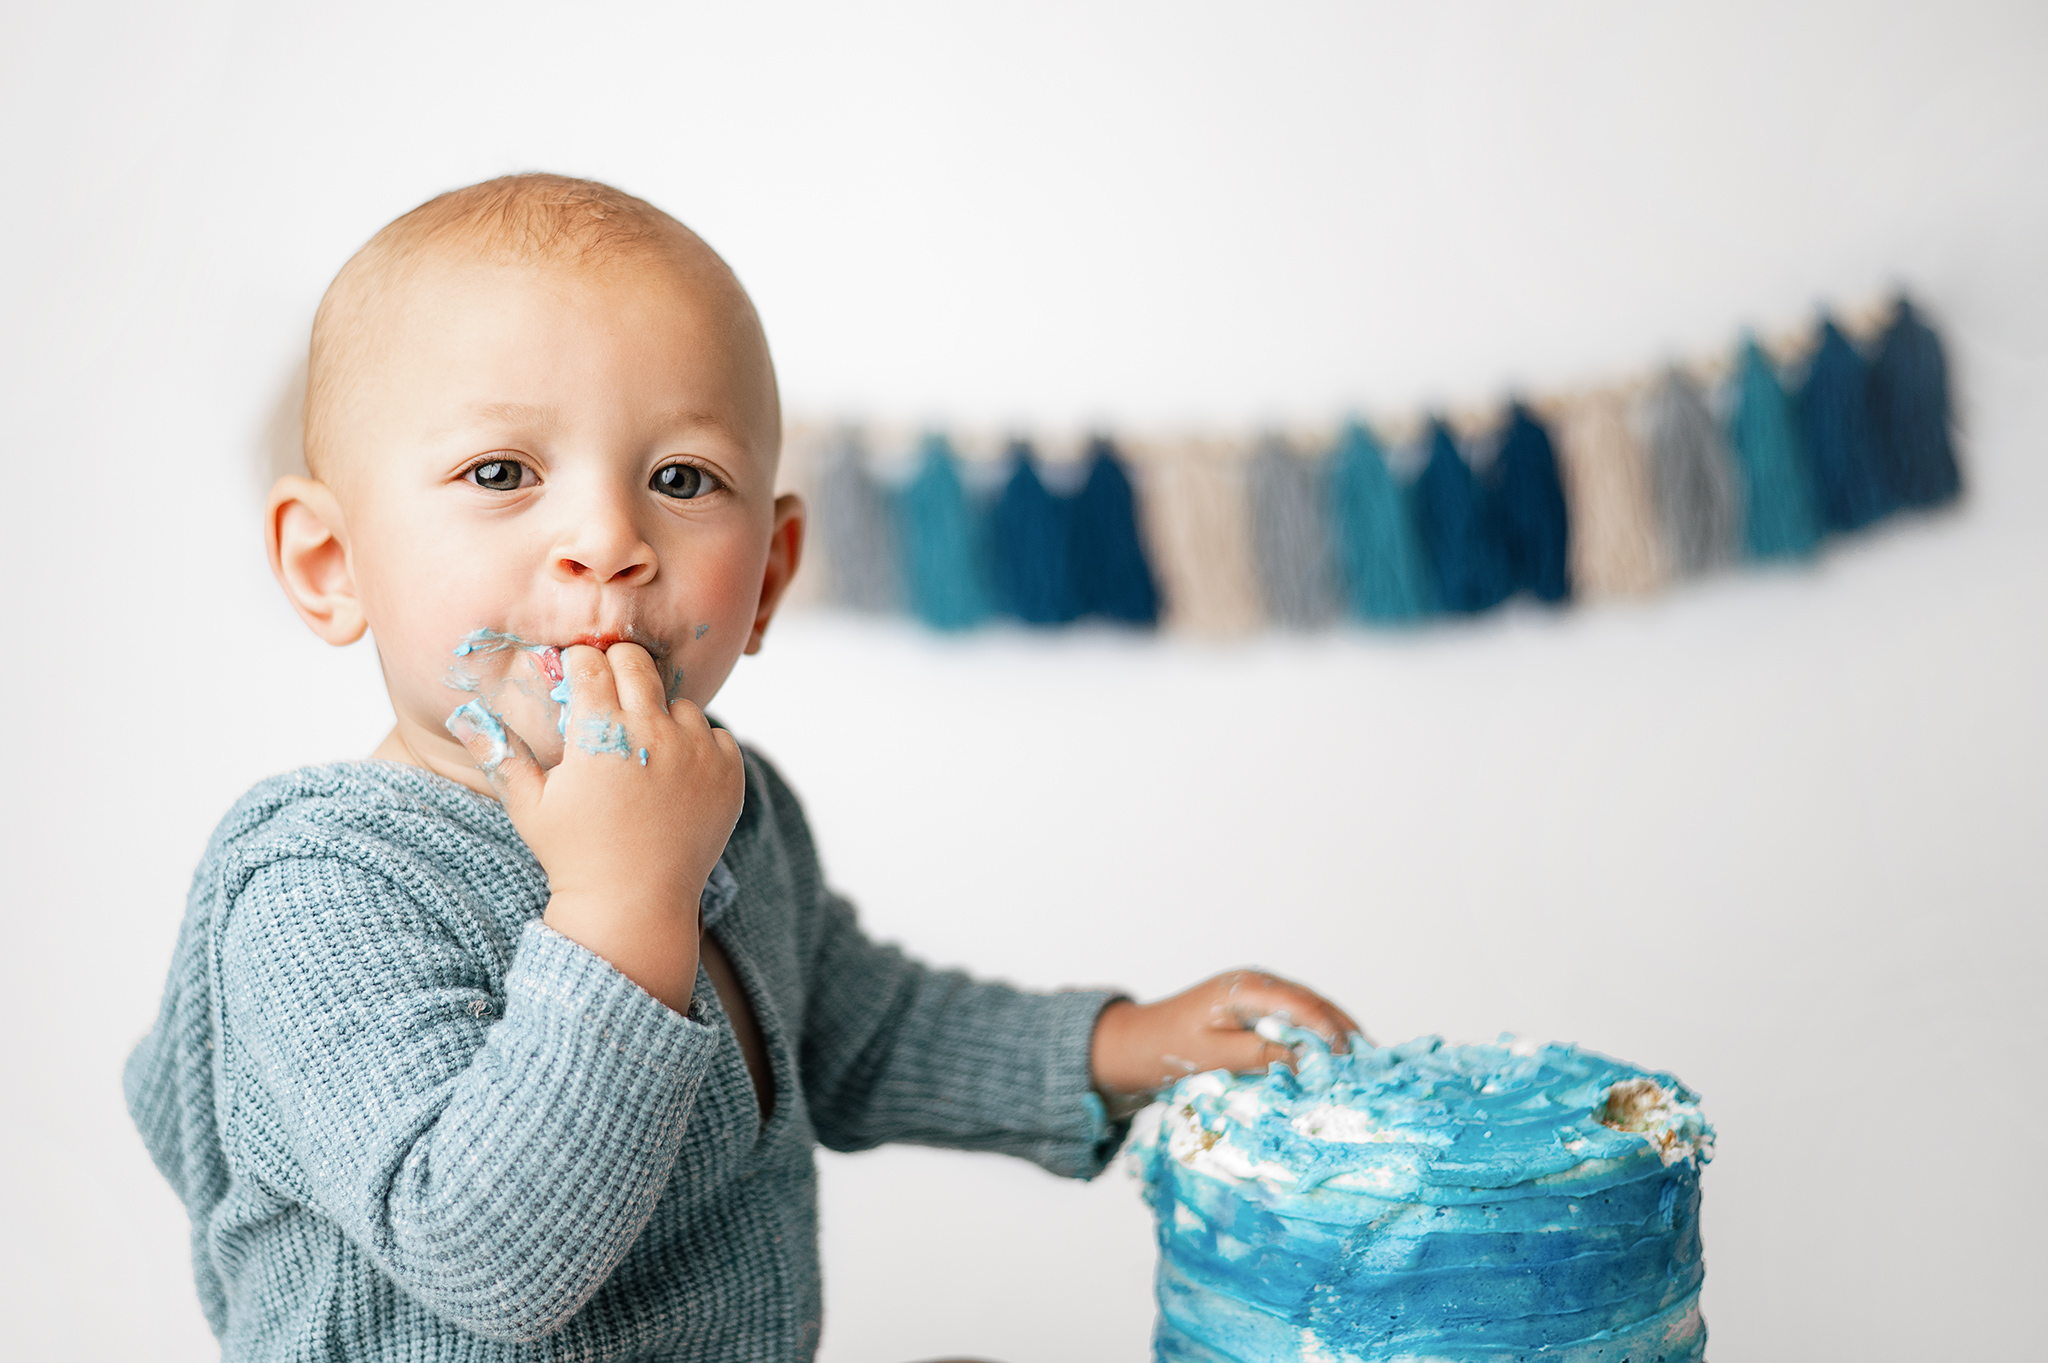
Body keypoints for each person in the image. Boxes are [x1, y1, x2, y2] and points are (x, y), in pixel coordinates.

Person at [124, 172, 1358, 1362]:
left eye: (681, 480)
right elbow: (486, 1258)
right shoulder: (323, 892)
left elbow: (855, 1028)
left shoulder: (731, 805)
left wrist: (1115, 1043)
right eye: (501, 473)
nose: (607, 540)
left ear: (766, 577)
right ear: (331, 564)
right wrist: (622, 906)